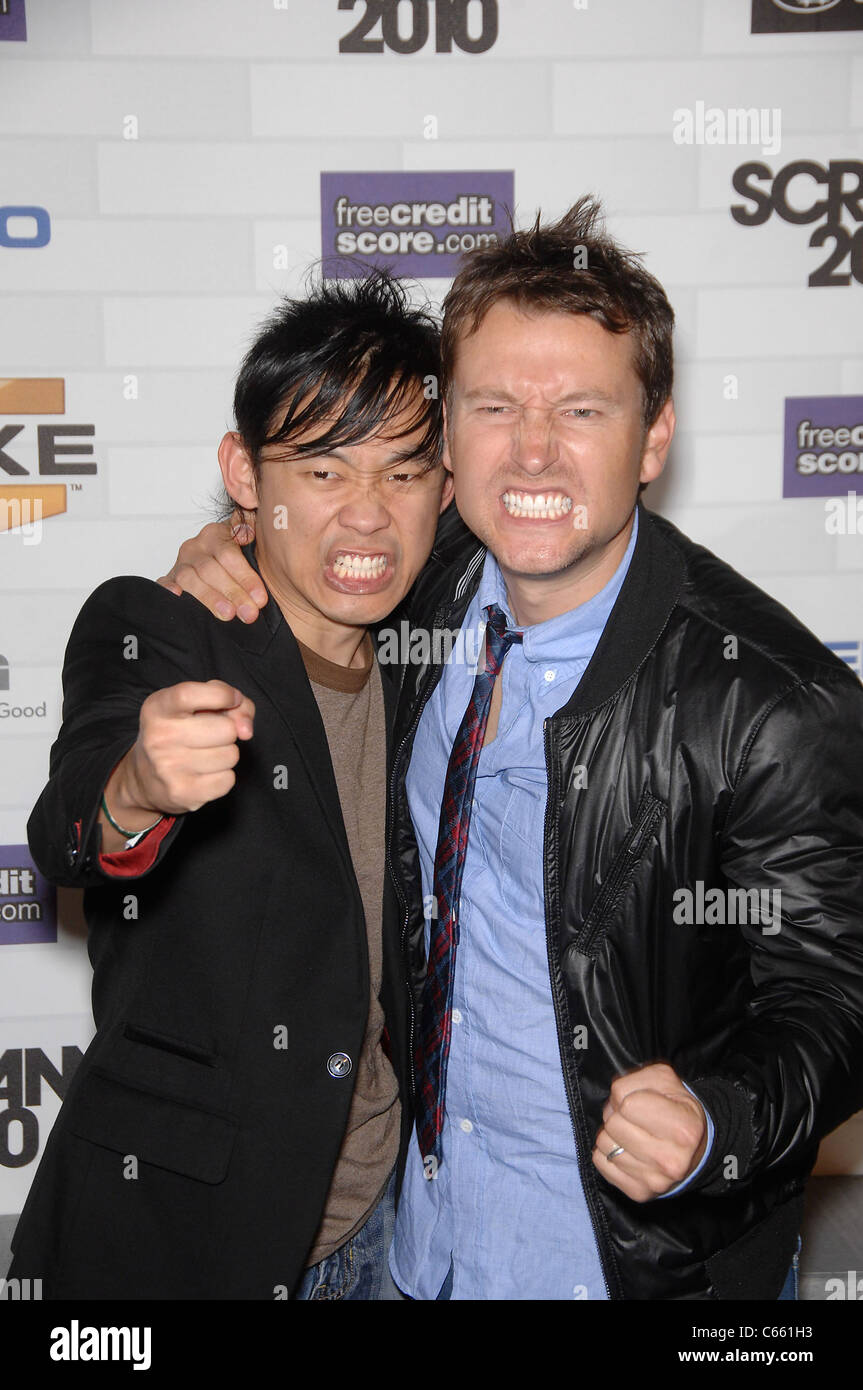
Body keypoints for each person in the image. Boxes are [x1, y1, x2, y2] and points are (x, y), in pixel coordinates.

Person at [158, 197, 863, 1301]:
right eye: (492, 405)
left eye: (580, 409)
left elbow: (834, 998)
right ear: (447, 433)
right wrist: (229, 545)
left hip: (624, 1265)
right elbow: (317, 515)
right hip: (417, 1242)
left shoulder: (767, 698)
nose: (532, 449)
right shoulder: (413, 581)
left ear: (654, 436)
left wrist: (720, 1120)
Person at [8, 271, 453, 1299]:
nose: (368, 517)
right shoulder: (162, 626)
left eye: (401, 473)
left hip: (389, 1230)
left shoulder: (437, 654)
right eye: (324, 472)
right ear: (244, 476)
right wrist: (136, 788)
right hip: (184, 1234)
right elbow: (68, 823)